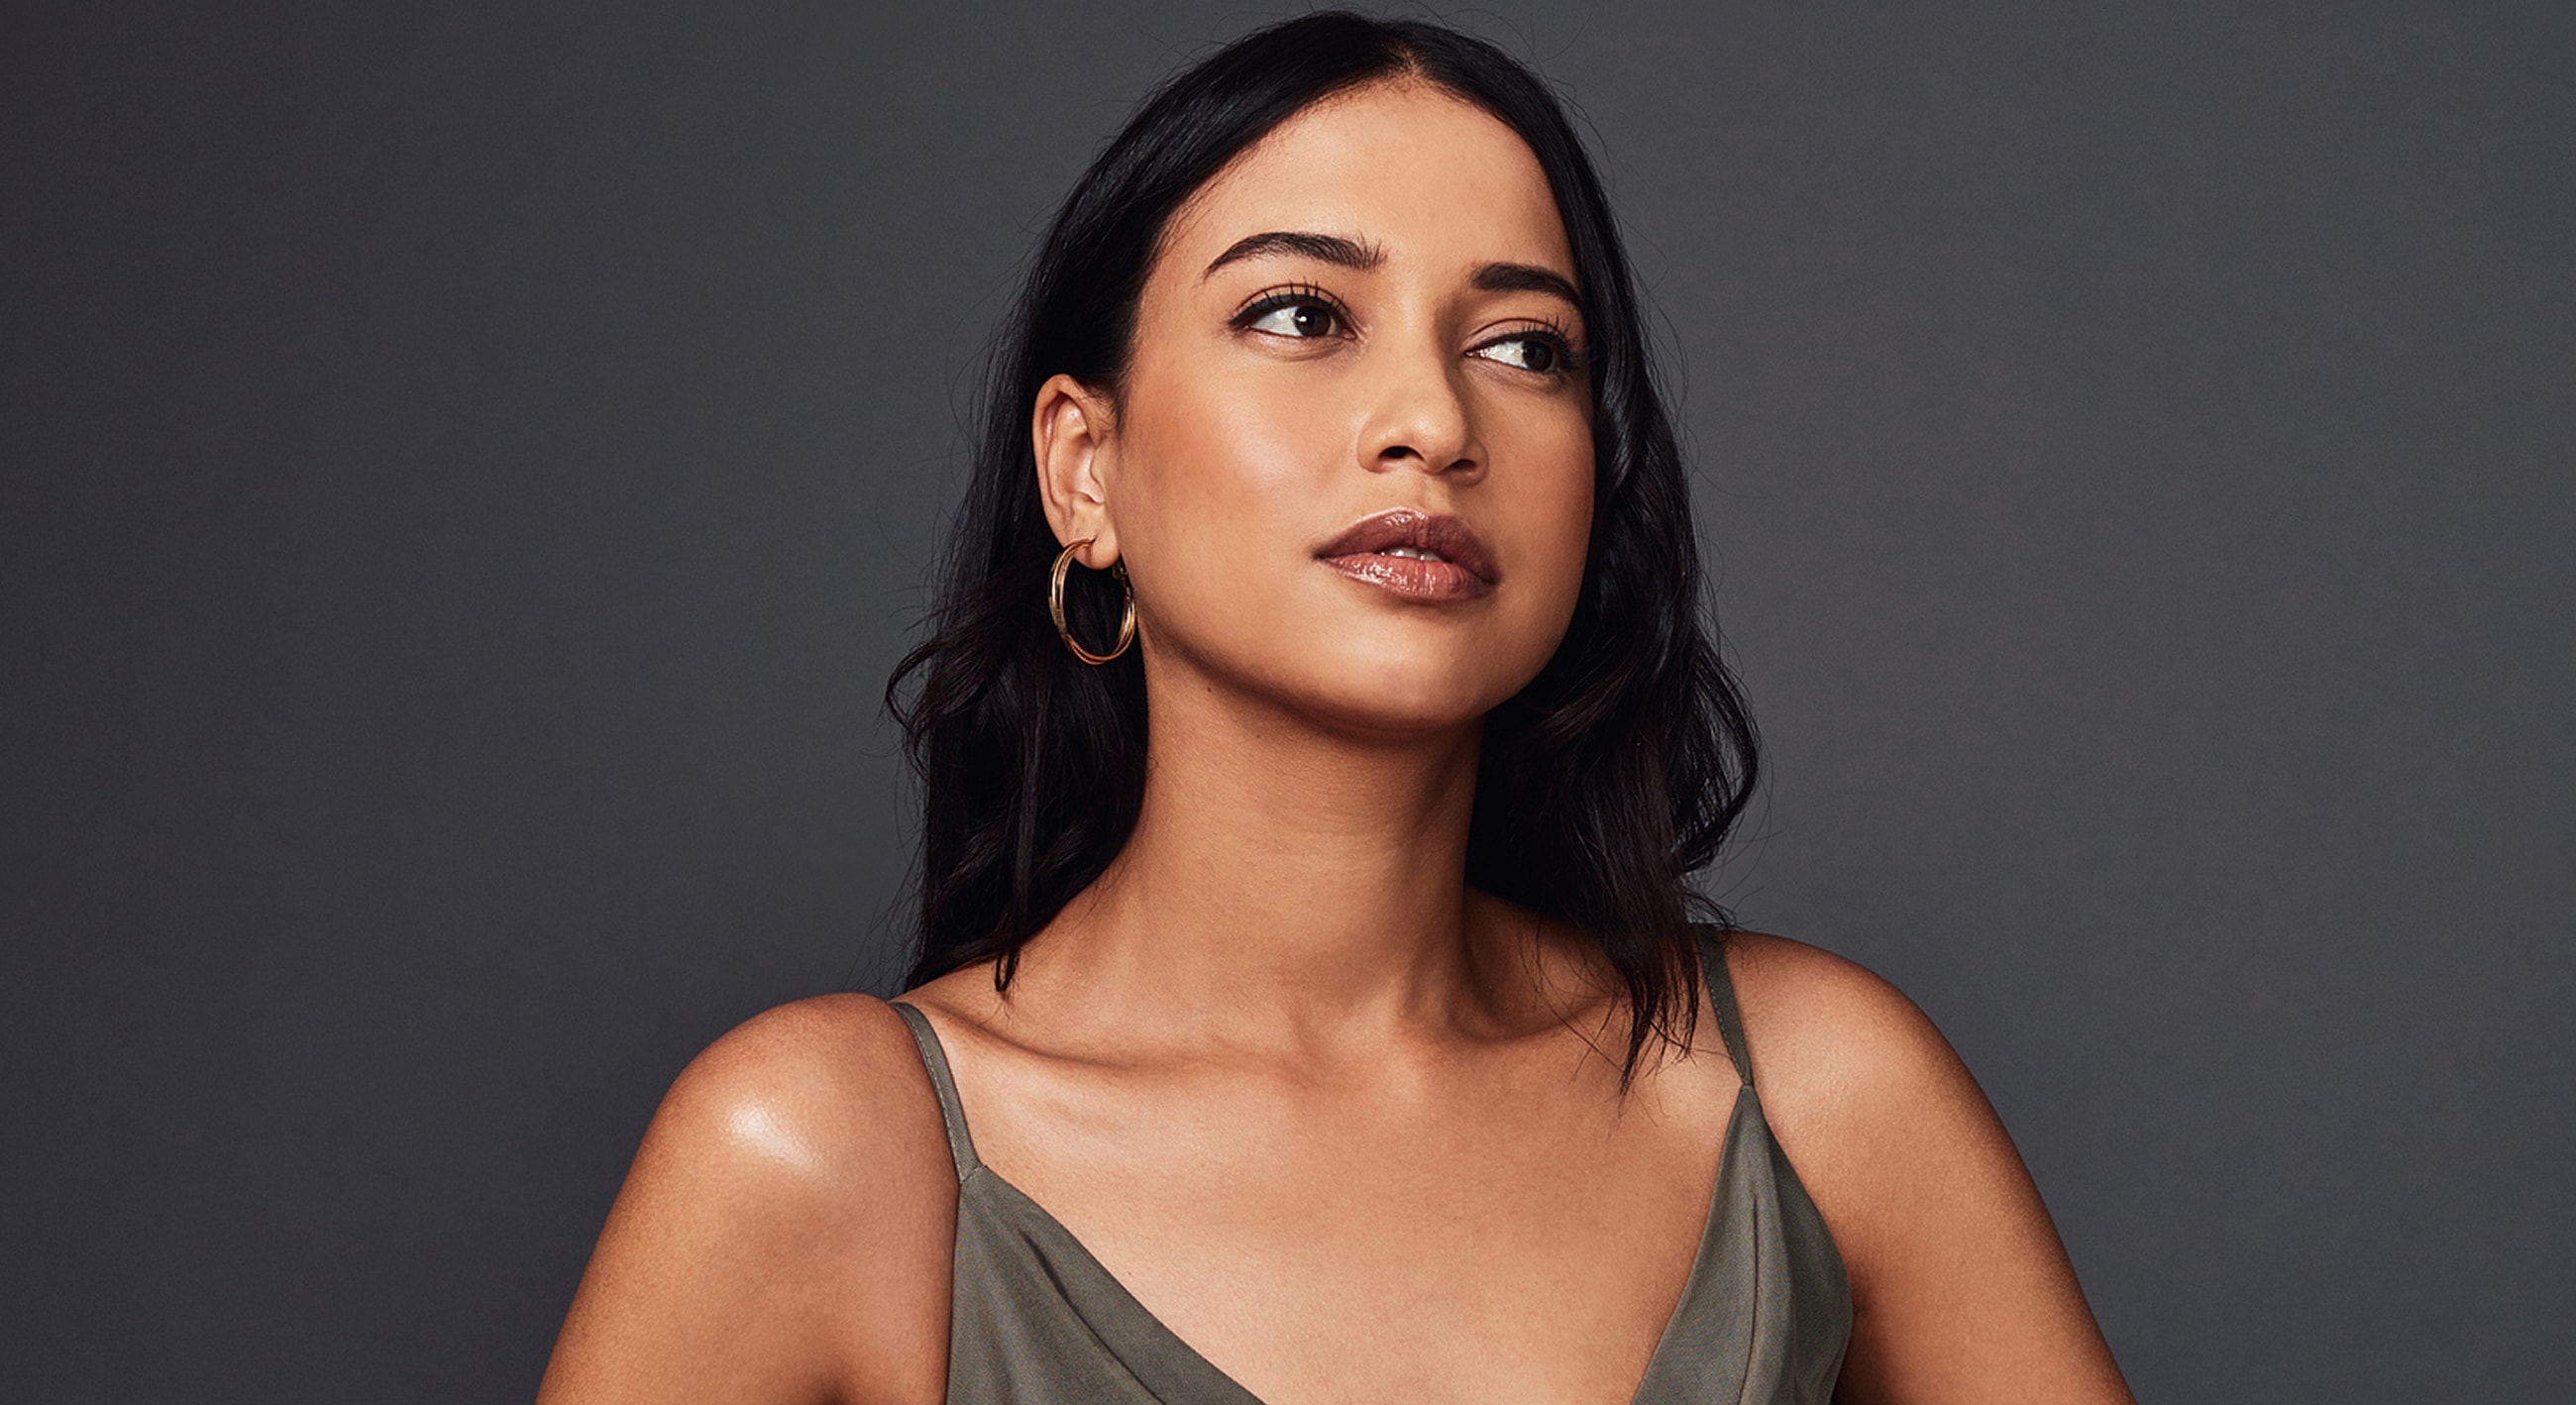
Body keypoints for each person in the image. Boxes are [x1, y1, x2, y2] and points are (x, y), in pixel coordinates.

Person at [536, 14, 2135, 1403]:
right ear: (1083, 471)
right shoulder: (825, 1155)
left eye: (1527, 346)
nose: (1433, 419)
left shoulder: (1815, 1094)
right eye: (1302, 314)